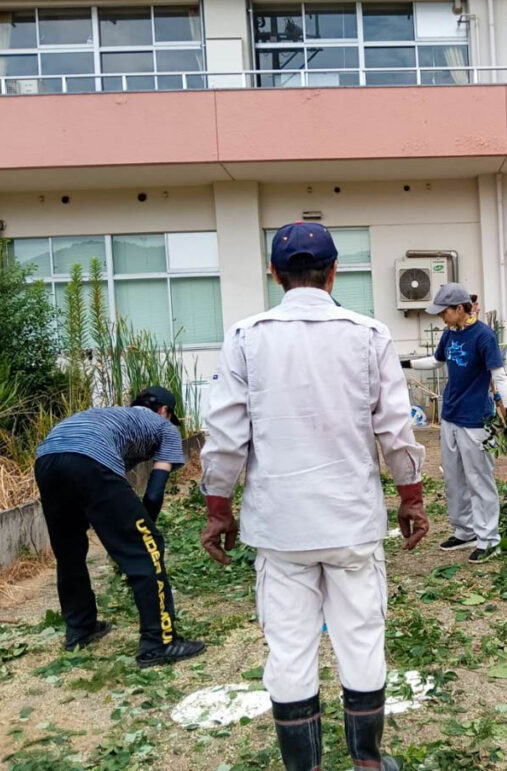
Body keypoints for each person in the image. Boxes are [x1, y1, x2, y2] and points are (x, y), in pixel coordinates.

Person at [200, 222, 428, 771]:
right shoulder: (369, 335)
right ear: (333, 273)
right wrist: (411, 497)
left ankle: (305, 767)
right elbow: (396, 429)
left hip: (280, 528)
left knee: (290, 647)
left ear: (274, 274)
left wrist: (218, 509)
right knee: (361, 639)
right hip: (350, 522)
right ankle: (368, 762)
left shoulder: (246, 337)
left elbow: (226, 434)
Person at [34, 387, 205, 667]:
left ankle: (80, 629)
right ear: (165, 411)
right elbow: (153, 493)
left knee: (69, 550)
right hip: (89, 458)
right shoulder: (165, 427)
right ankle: (159, 642)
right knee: (147, 547)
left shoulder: (112, 415)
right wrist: (143, 532)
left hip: (47, 458)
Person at [401, 283, 507, 564]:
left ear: (459, 309)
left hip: (476, 418)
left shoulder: (484, 336)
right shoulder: (450, 334)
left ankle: (489, 539)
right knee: (454, 478)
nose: (441, 317)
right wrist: (404, 363)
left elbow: (498, 375)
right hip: (450, 415)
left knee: (479, 479)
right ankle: (465, 530)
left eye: (444, 312)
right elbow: (437, 361)